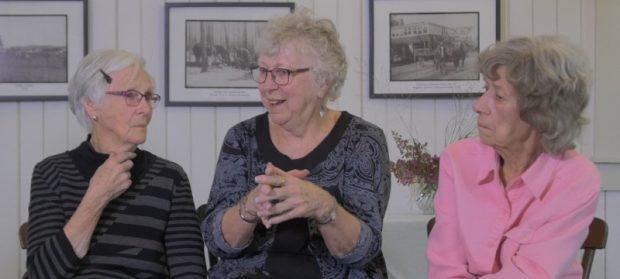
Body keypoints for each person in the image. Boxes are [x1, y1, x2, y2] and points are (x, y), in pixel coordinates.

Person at [202, 10, 391, 279]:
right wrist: (251, 205)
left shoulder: (363, 140)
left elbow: (362, 252)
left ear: (322, 82)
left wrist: (325, 207)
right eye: (263, 71)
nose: (267, 85)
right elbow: (218, 243)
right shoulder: (242, 137)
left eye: (282, 73)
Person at [427, 35, 601, 278]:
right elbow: (445, 266)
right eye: (485, 89)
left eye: (498, 96)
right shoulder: (458, 160)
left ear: (540, 112)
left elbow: (530, 274)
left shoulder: (575, 177)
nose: (478, 105)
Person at [26, 49, 207, 278]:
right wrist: (96, 196)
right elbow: (40, 274)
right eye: (131, 95)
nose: (146, 109)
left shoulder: (170, 178)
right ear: (92, 105)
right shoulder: (51, 173)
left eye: (149, 96)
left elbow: (190, 272)